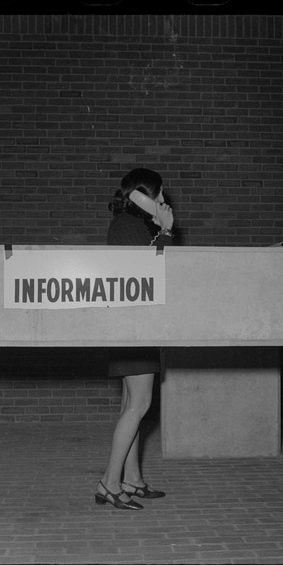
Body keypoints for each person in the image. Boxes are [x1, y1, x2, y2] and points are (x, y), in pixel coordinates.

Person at [95, 168, 175, 511]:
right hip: (133, 326)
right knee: (138, 405)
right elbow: (153, 272)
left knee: (133, 406)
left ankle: (132, 479)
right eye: (157, 195)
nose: (163, 201)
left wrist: (159, 228)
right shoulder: (128, 226)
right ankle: (109, 483)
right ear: (140, 196)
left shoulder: (134, 226)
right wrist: (167, 230)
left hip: (136, 324)